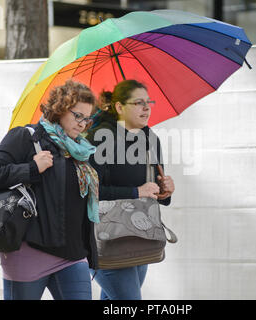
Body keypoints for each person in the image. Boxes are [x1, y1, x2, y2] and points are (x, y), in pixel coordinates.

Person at [0, 80, 99, 300]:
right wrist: (32, 168)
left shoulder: (80, 152)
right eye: (77, 115)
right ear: (60, 108)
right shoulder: (26, 137)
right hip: (29, 253)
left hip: (72, 255)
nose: (82, 124)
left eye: (87, 119)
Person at [86, 79, 175, 300]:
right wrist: (136, 192)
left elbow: (154, 191)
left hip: (138, 236)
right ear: (119, 107)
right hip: (104, 238)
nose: (146, 108)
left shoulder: (150, 139)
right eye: (138, 102)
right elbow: (89, 192)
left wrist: (165, 191)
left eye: (148, 102)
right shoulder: (99, 137)